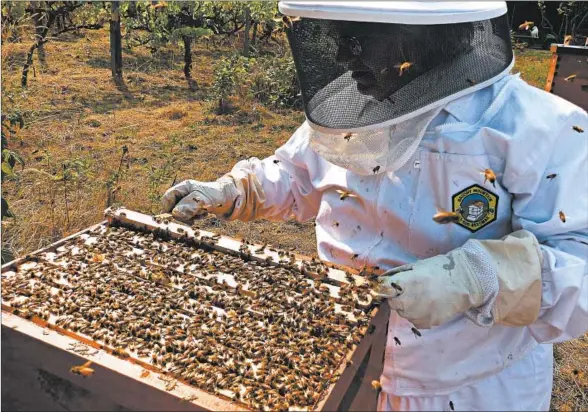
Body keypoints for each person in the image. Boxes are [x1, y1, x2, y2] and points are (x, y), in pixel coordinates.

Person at [162, 2, 588, 411]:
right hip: (339, 355)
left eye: (361, 40)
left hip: (470, 385)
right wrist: (235, 189)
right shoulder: (355, 107)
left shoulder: (539, 129)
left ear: (424, 39)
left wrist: (477, 278)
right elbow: (297, 177)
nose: (344, 57)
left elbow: (579, 264)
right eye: (340, 38)